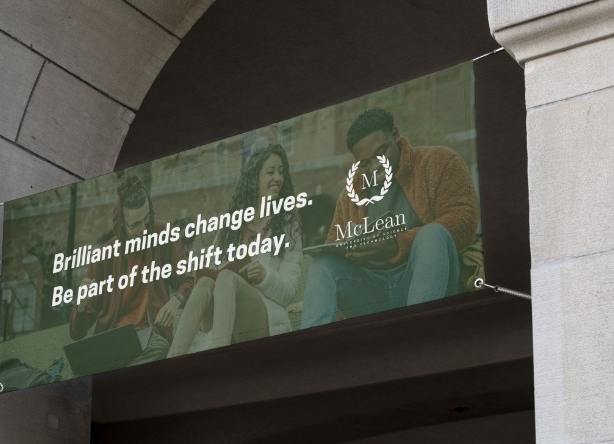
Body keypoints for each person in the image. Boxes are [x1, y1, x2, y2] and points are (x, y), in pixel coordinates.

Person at [301, 108, 479, 328]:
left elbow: (465, 219)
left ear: (395, 135)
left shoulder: (439, 161)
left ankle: (419, 338)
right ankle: (315, 350)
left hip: (428, 281)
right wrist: (350, 251)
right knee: (322, 264)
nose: (375, 167)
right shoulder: (351, 194)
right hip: (373, 290)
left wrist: (398, 244)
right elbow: (333, 246)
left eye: (381, 153)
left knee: (432, 234)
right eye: (365, 163)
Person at [167, 144, 302, 357]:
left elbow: (289, 293)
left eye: (281, 171)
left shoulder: (287, 225)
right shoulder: (232, 225)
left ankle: (219, 358)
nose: (277, 177)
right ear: (254, 179)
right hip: (221, 310)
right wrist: (201, 271)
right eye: (270, 172)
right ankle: (172, 360)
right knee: (204, 282)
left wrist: (264, 276)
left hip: (262, 317)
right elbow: (211, 271)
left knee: (228, 278)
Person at [69, 175, 194, 364]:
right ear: (120, 225)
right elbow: (76, 334)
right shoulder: (104, 256)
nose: (143, 229)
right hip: (112, 339)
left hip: (149, 336)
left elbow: (188, 280)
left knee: (161, 347)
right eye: (135, 224)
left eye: (147, 219)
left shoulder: (163, 234)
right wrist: (81, 304)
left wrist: (175, 300)